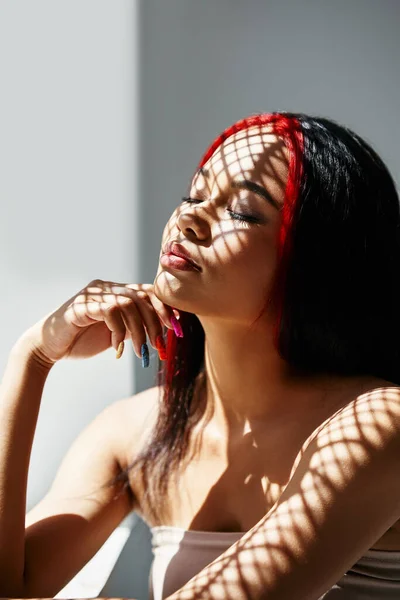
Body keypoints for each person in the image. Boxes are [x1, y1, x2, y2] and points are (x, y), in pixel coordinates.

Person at [1, 112, 400, 600]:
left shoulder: (378, 424)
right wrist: (34, 355)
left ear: (317, 257)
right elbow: (12, 586)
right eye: (194, 194)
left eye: (243, 211)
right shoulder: (139, 432)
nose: (190, 217)